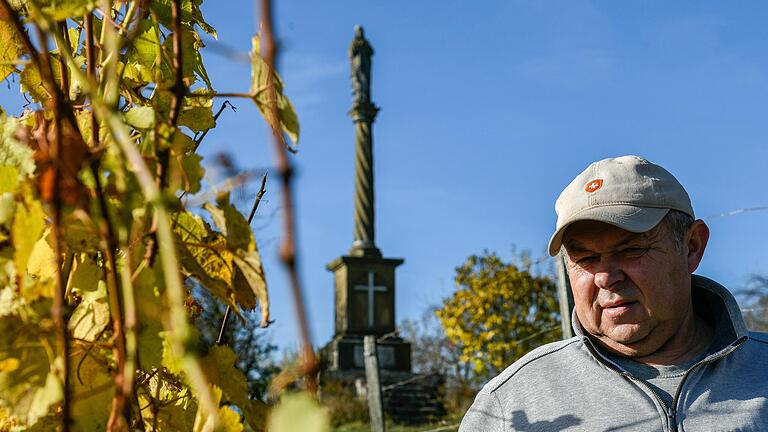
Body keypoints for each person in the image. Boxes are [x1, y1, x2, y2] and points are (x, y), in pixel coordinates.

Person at [459, 155, 768, 431]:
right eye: (585, 259)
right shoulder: (512, 402)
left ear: (691, 247)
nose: (606, 278)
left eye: (632, 249)